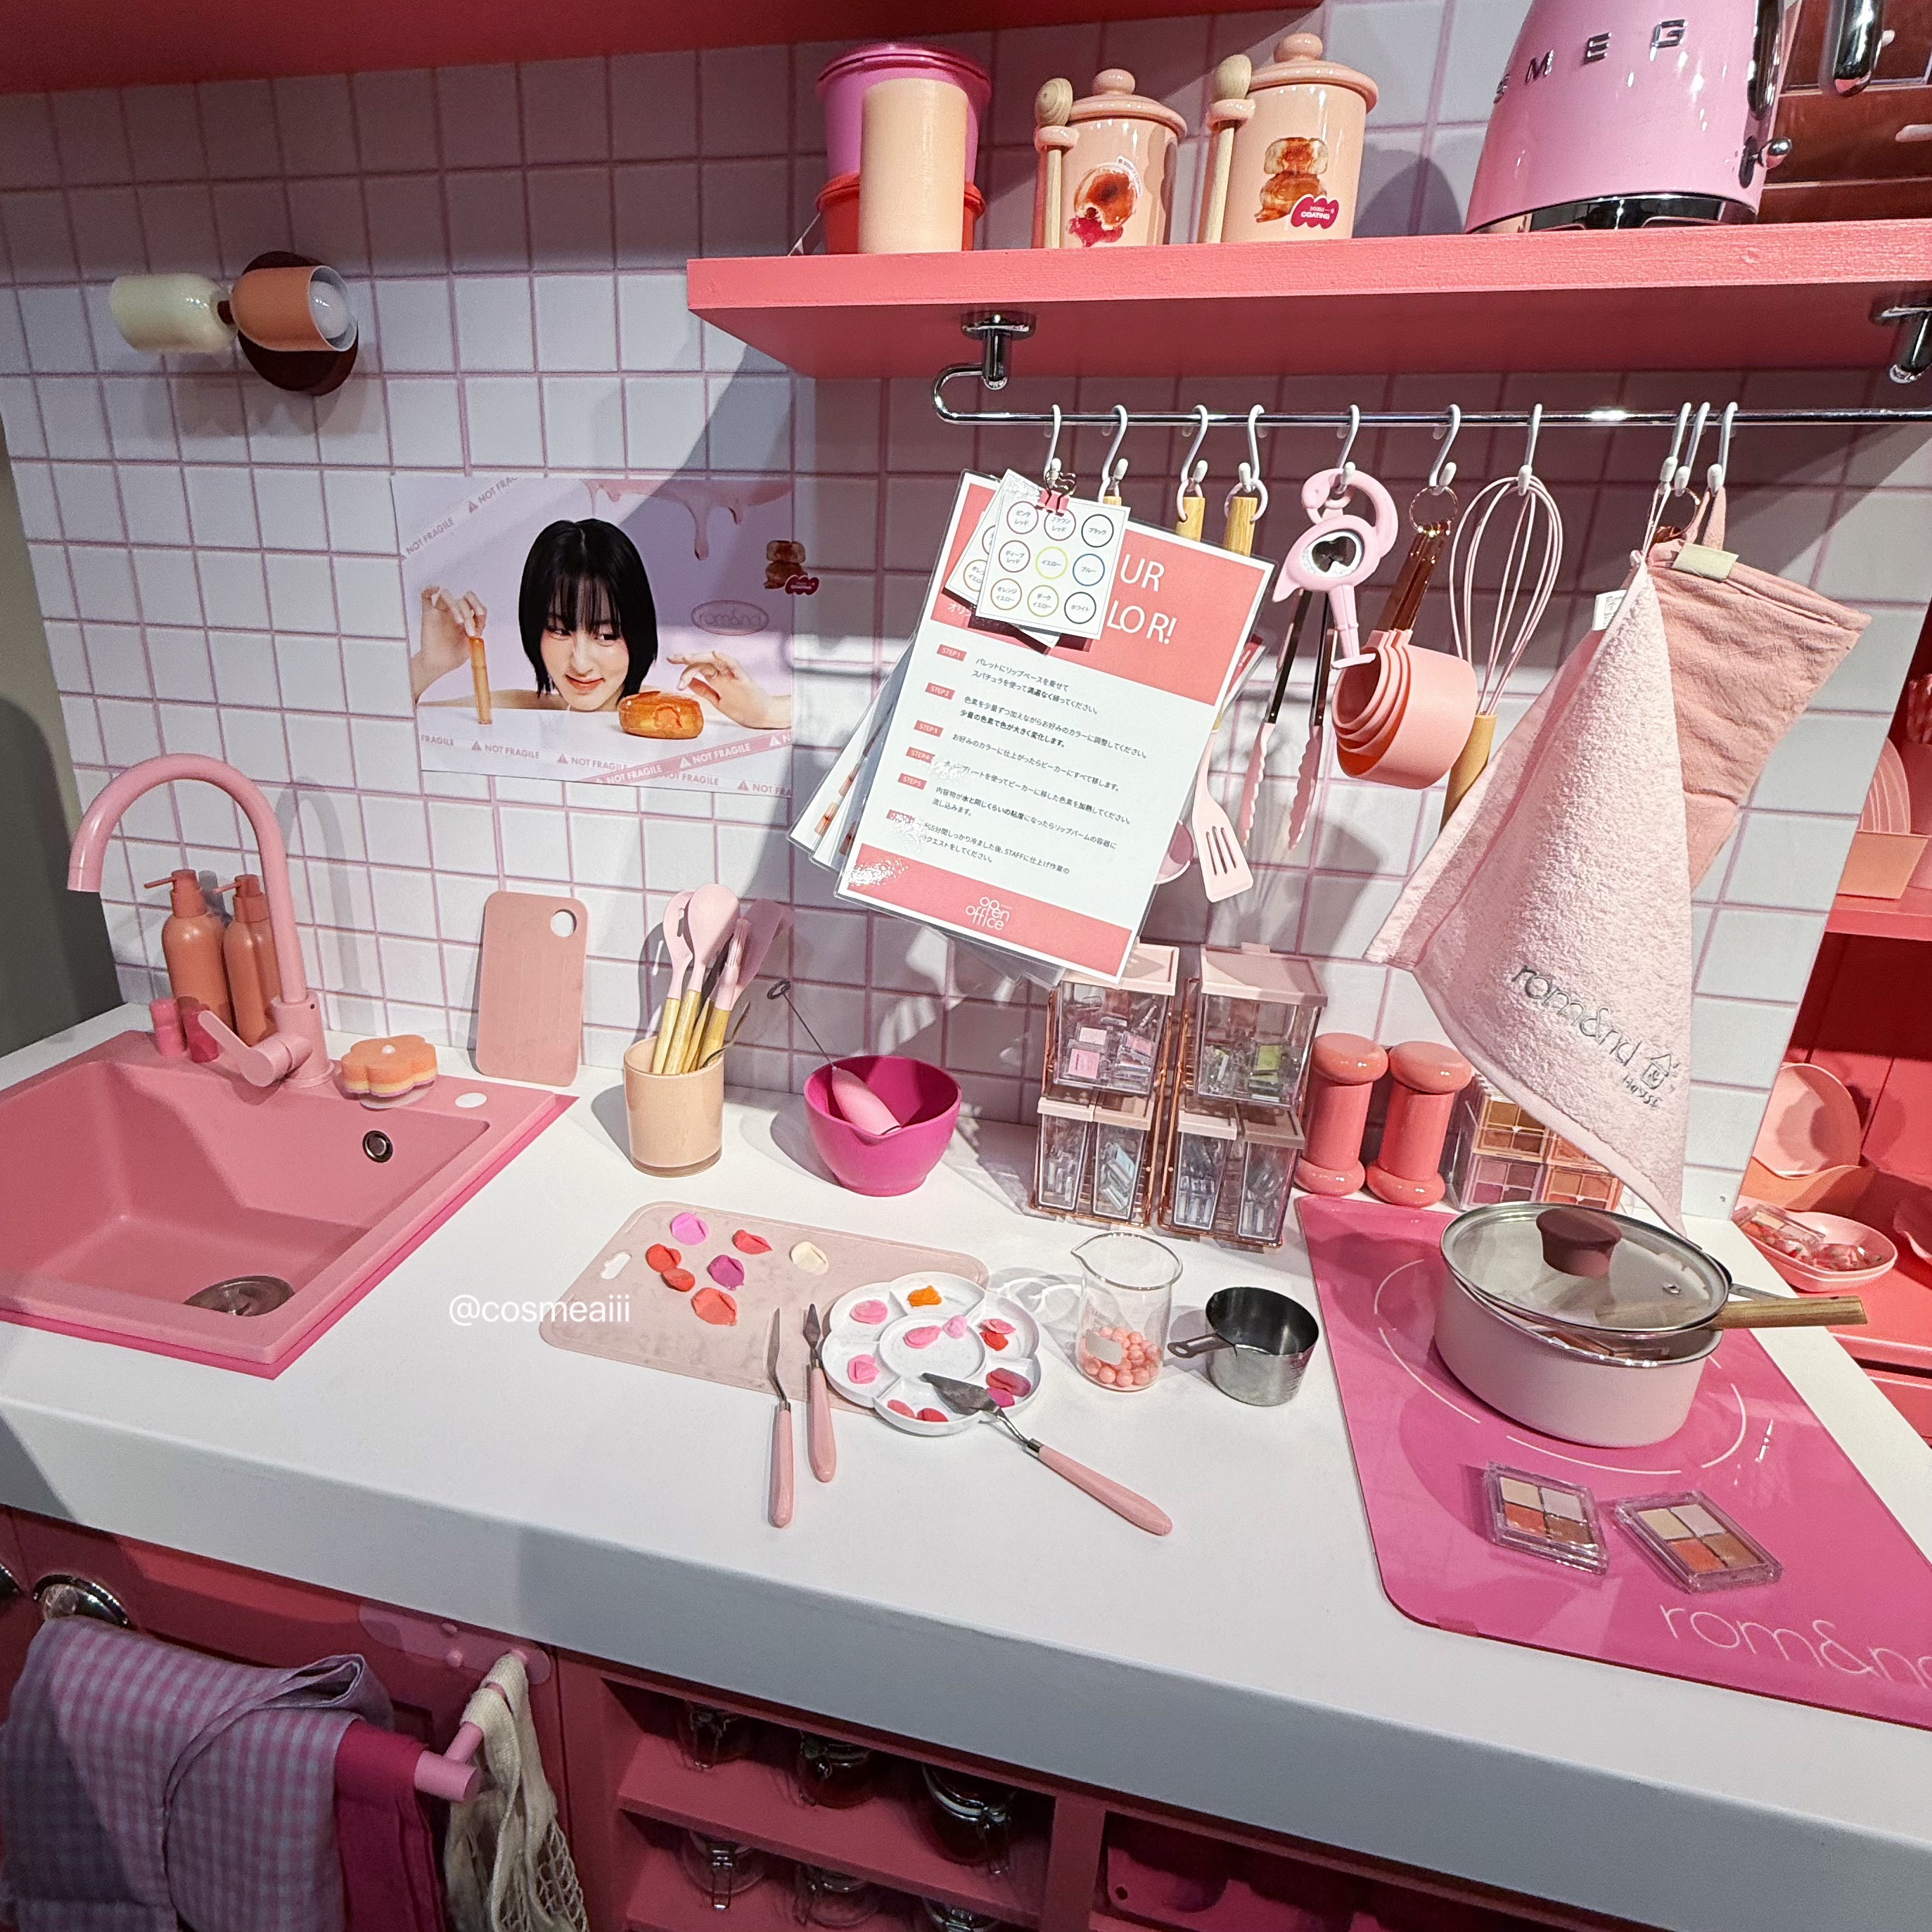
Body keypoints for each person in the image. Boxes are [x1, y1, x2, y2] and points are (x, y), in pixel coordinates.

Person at [411, 518, 658, 715]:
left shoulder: (671, 713)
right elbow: (395, 728)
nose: (581, 665)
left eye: (606, 635)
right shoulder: (518, 714)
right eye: (559, 630)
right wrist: (426, 666)